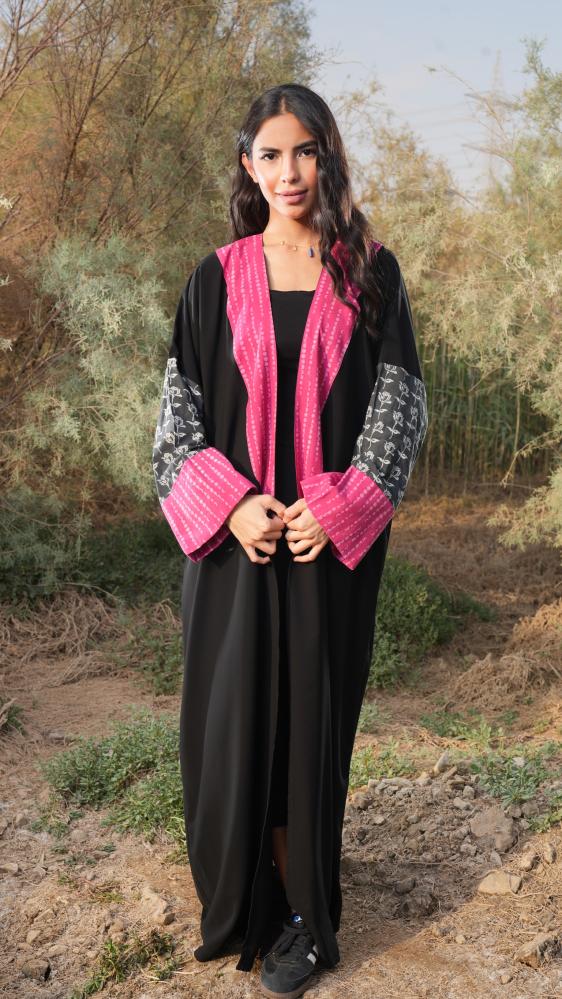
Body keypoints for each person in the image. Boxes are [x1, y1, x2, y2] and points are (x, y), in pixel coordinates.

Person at [152, 82, 428, 998]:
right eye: (270, 154)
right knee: (231, 727)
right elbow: (176, 425)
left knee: (307, 731)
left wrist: (339, 506)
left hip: (321, 551)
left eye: (305, 151)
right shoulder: (213, 277)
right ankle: (246, 904)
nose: (289, 172)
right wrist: (230, 503)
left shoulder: (371, 274)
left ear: (328, 157)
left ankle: (306, 915)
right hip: (233, 551)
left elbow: (400, 409)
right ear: (247, 165)